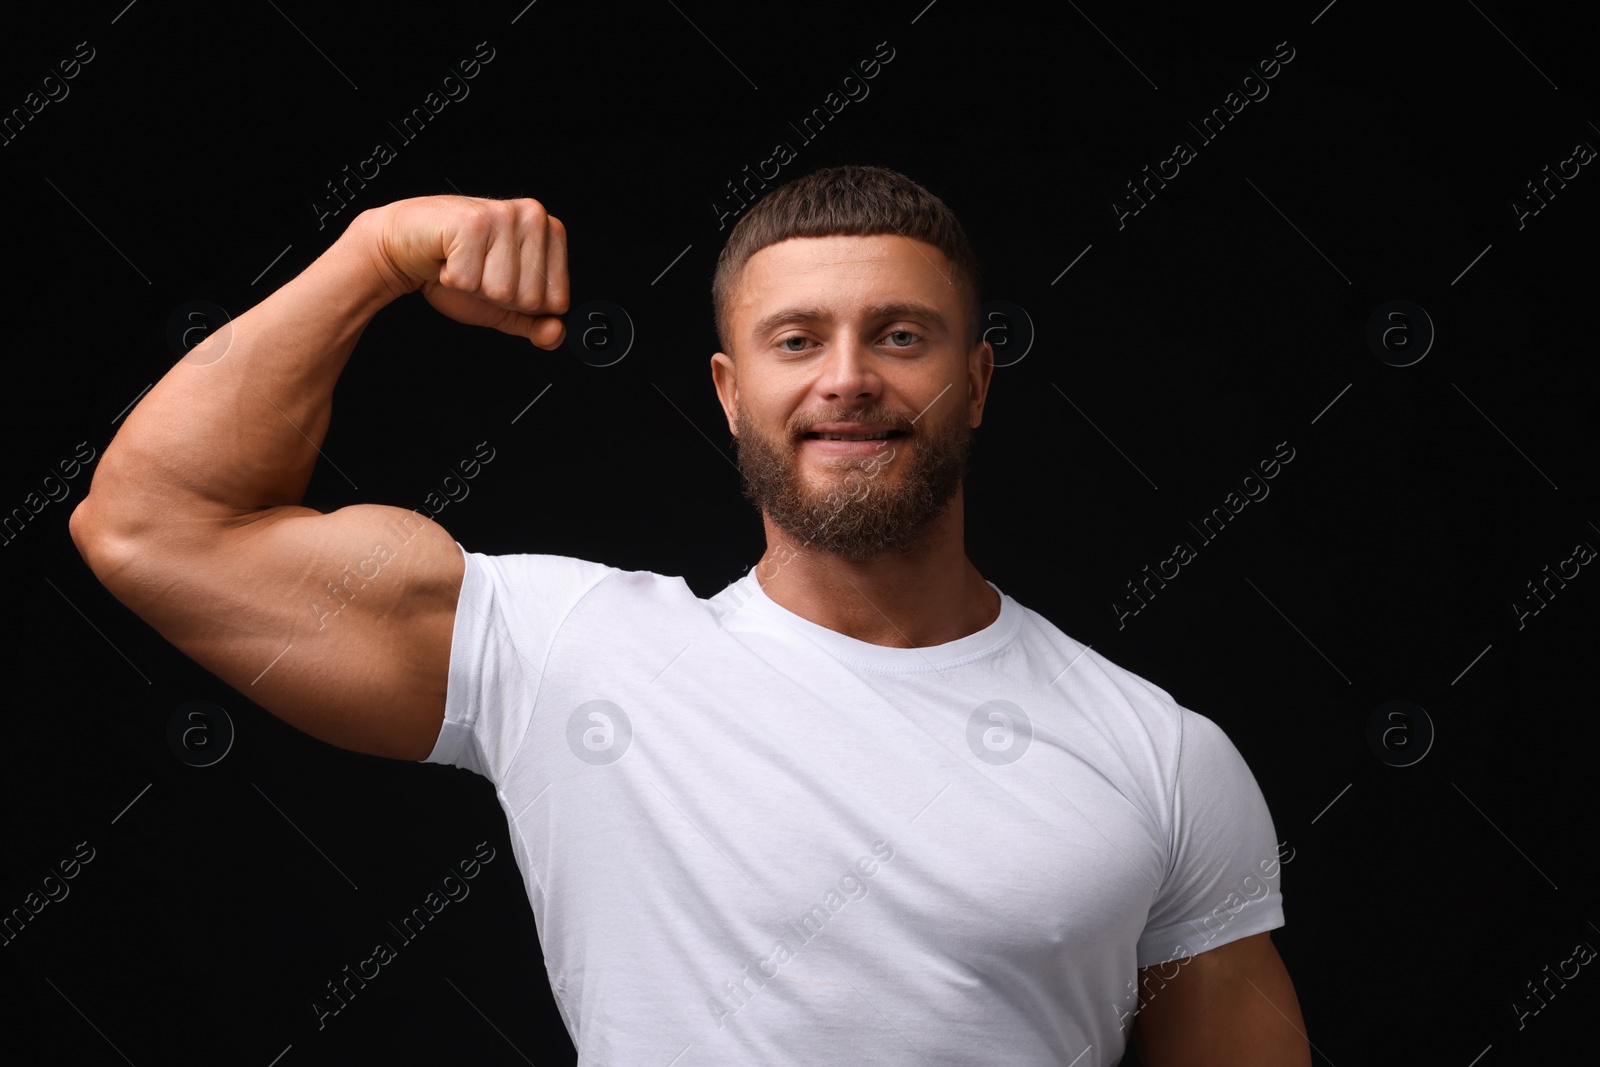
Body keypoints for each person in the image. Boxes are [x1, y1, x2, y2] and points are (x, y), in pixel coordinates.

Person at [70, 164, 1311, 1065]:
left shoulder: (1159, 753)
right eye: (794, 338)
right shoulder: (566, 654)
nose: (846, 377)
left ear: (973, 381)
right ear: (729, 390)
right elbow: (153, 524)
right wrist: (374, 254)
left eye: (899, 335)